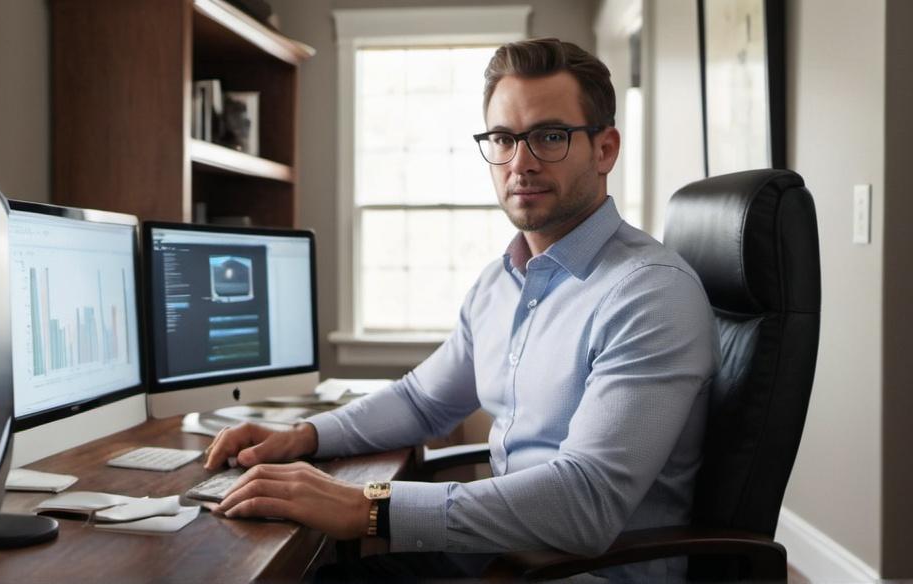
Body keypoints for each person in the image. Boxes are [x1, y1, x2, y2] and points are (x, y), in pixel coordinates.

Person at [203, 38, 718, 582]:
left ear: (605, 150)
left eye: (550, 136)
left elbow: (585, 502)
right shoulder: (501, 281)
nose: (520, 163)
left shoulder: (649, 293)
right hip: (499, 555)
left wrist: (368, 506)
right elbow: (424, 400)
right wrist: (303, 436)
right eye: (503, 138)